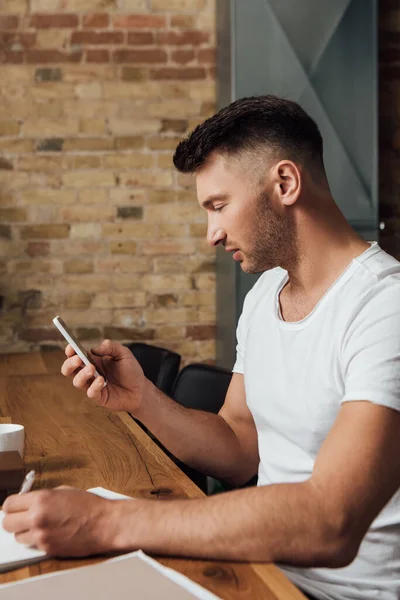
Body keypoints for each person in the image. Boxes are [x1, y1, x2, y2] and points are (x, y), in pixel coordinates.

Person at [3, 95, 400, 600]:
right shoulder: (263, 297)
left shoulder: (386, 307)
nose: (212, 234)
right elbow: (239, 446)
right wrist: (142, 398)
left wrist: (110, 522)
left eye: (218, 206)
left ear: (285, 184)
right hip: (258, 570)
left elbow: (330, 522)